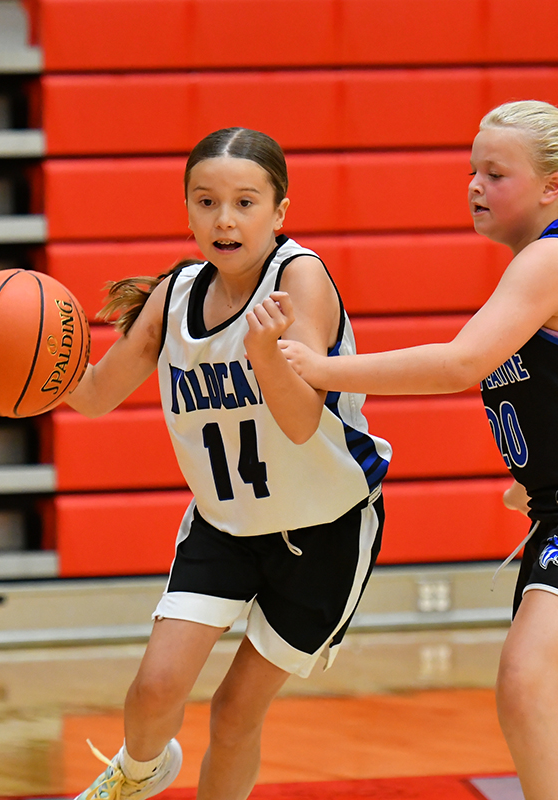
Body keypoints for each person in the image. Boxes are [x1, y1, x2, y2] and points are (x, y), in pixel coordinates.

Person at [273, 100, 558, 800]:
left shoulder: (552, 260)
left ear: (553, 187)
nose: (474, 185)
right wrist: (540, 478)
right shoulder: (541, 265)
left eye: (495, 173)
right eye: (473, 170)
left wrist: (324, 369)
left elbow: (459, 364)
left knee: (526, 682)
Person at [66, 127, 391, 800]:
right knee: (155, 687)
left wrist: (267, 355)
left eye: (246, 202)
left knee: (236, 711)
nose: (224, 218)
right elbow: (95, 395)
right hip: (223, 524)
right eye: (206, 201)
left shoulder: (298, 278)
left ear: (280, 211)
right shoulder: (175, 295)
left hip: (323, 526)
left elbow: (301, 422)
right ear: (186, 208)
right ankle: (137, 774)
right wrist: (27, 363)